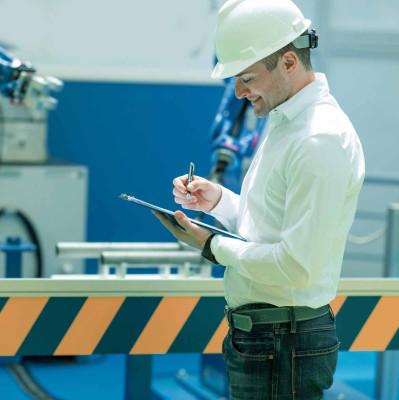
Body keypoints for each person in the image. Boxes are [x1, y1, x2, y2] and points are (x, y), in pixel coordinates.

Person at [152, 0, 365, 398]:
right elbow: (268, 227)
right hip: (267, 338)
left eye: (247, 77)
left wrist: (212, 245)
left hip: (284, 342)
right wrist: (219, 203)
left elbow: (297, 267)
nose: (237, 92)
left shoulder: (318, 139)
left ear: (288, 62)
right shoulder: (287, 121)